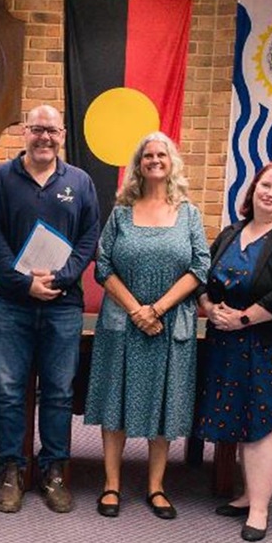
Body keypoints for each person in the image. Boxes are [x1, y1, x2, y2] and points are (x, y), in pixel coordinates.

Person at [0, 104, 100, 513]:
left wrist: (62, 279)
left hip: (64, 305)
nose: (44, 137)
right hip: (10, 303)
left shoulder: (80, 182)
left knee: (59, 392)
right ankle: (12, 470)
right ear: (24, 132)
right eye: (36, 129)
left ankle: (54, 472)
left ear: (62, 134)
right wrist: (24, 283)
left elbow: (88, 238)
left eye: (51, 130)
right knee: (10, 390)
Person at [83, 131, 209, 520]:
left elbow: (201, 266)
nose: (155, 160)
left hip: (171, 325)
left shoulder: (188, 213)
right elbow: (103, 265)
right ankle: (111, 484)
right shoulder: (121, 213)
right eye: (147, 155)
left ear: (172, 162)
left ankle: (156, 487)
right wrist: (138, 309)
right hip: (123, 321)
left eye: (161, 154)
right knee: (115, 400)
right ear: (138, 165)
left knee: (164, 403)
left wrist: (157, 309)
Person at [195, 161, 272, 542]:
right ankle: (249, 494)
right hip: (229, 344)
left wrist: (243, 319)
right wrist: (210, 307)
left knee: (263, 428)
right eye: (265, 185)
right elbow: (203, 276)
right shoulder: (232, 233)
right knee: (245, 423)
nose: (270, 193)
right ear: (253, 189)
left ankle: (260, 510)